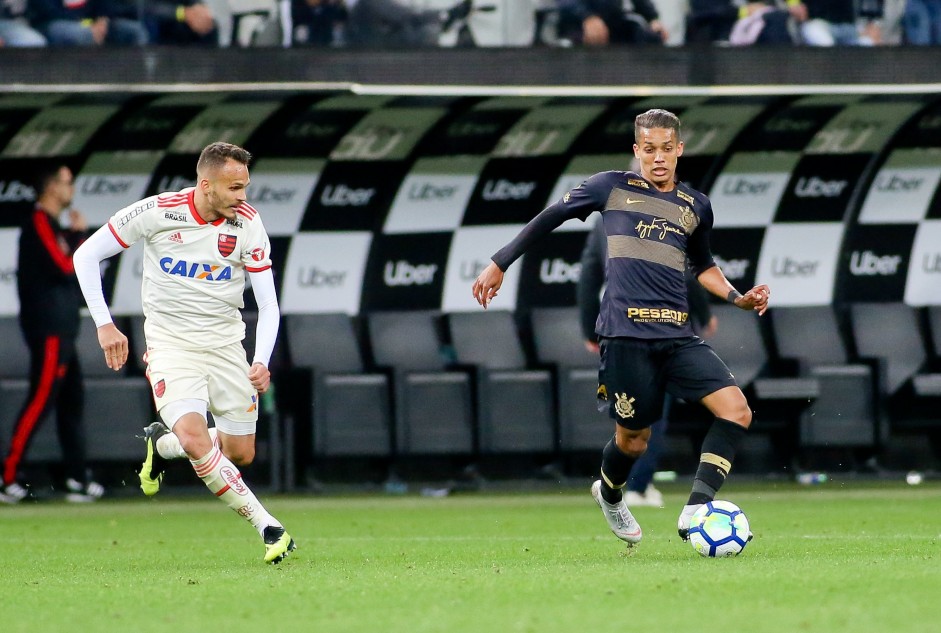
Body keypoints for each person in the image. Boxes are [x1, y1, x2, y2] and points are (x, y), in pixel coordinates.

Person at [472, 108, 769, 546]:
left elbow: (703, 266)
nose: (659, 158)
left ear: (679, 149)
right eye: (649, 150)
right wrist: (500, 263)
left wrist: (736, 297)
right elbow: (550, 216)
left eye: (667, 149)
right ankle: (610, 493)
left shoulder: (695, 206)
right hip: (625, 337)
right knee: (634, 440)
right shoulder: (610, 187)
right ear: (637, 151)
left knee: (737, 410)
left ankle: (696, 509)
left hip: (677, 336)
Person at [72, 142, 295, 564]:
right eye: (234, 188)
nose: (242, 197)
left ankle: (163, 445)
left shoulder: (248, 223)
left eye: (245, 187)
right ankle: (268, 525)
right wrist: (104, 325)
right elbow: (86, 255)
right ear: (205, 184)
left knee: (239, 452)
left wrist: (261, 359)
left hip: (228, 347)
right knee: (197, 438)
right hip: (172, 348)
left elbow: (268, 304)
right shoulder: (158, 211)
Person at [578, 217, 718, 507]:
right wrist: (703, 314)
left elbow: (589, 274)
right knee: (652, 414)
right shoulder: (663, 213)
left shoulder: (605, 217)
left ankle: (620, 484)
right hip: (662, 327)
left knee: (631, 413)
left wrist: (588, 327)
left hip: (618, 330)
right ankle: (638, 486)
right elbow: (684, 270)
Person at [0, 165, 104, 505]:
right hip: (48, 330)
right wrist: (79, 238)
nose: (70, 187)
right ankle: (8, 476)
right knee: (41, 398)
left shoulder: (54, 225)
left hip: (64, 329)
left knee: (72, 401)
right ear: (50, 187)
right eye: (65, 182)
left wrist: (74, 236)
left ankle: (76, 476)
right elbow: (63, 265)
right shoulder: (39, 222)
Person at [28, 0, 148, 46]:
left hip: (94, 24)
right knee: (82, 34)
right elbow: (48, 12)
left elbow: (106, 6)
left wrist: (103, 21)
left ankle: (140, 82)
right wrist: (90, 27)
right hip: (53, 25)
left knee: (134, 31)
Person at [557, 0, 668, 46]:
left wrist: (653, 19)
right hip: (576, 22)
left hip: (614, 23)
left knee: (651, 37)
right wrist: (587, 17)